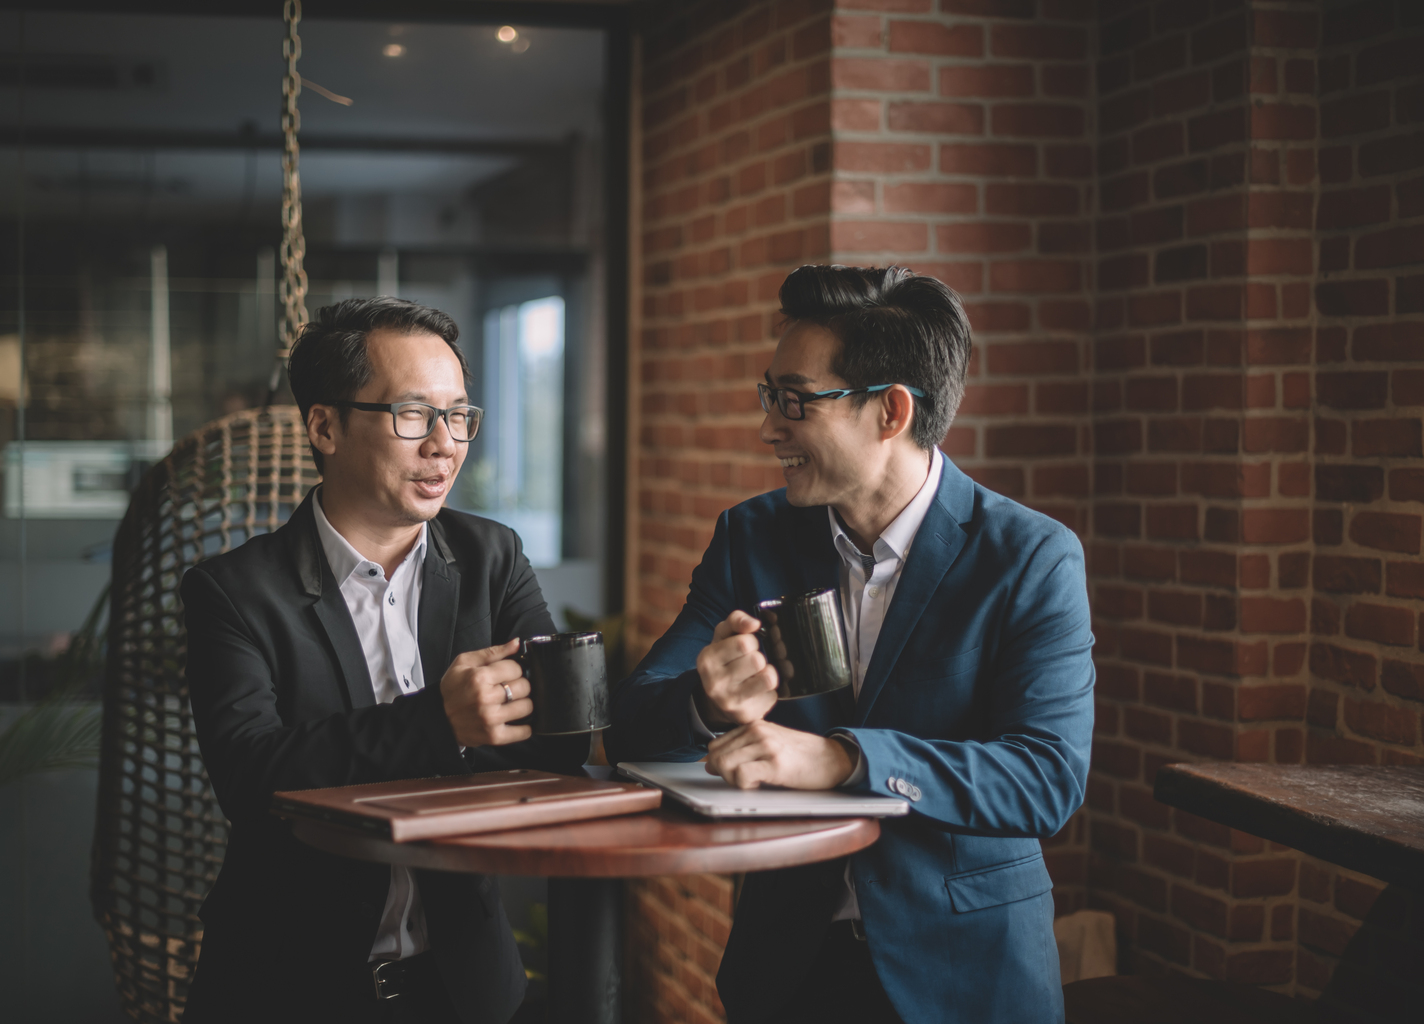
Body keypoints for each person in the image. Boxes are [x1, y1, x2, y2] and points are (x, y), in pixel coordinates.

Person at [606, 265, 1094, 1024]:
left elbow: (1046, 779)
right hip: (791, 971)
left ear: (891, 411)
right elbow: (629, 722)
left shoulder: (1031, 556)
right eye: (769, 396)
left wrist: (842, 759)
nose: (769, 427)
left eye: (795, 400)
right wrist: (705, 699)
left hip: (967, 974)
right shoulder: (751, 538)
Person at [181, 297, 585, 1024]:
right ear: (325, 426)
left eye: (459, 416)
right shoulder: (234, 592)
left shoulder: (493, 558)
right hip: (288, 988)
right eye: (412, 414)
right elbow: (251, 778)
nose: (445, 444)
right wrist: (440, 721)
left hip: (463, 987)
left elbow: (556, 744)